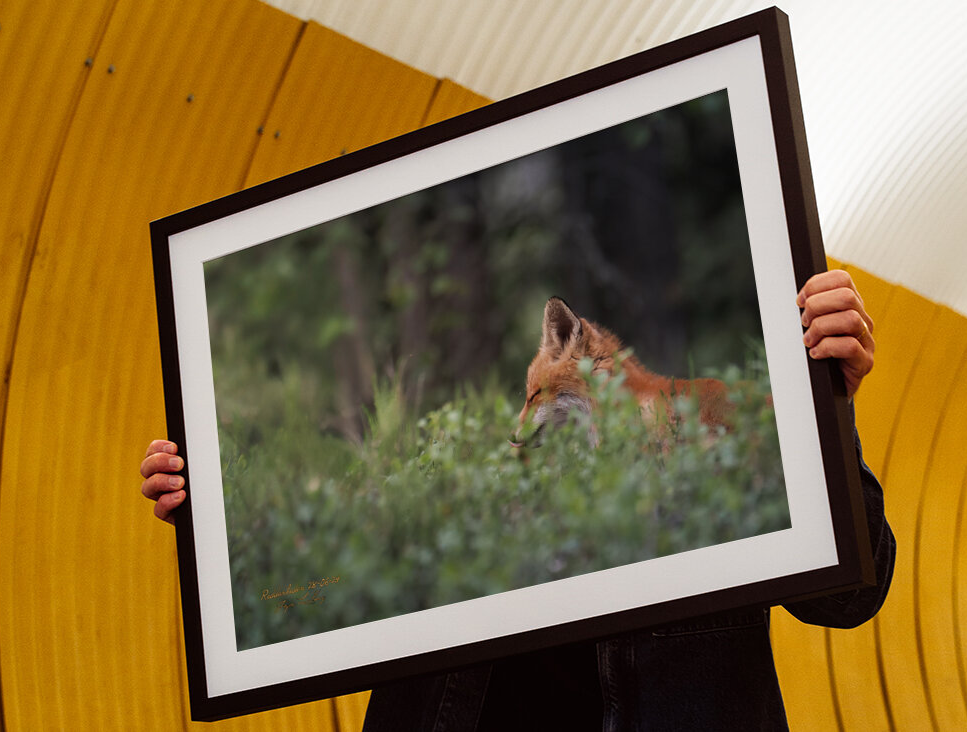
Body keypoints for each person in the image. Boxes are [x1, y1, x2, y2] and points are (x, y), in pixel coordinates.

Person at [140, 270, 895, 730]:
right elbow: (364, 563)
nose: (521, 421)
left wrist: (823, 406)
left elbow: (851, 594)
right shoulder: (489, 481)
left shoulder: (708, 429)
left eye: (536, 398)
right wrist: (225, 520)